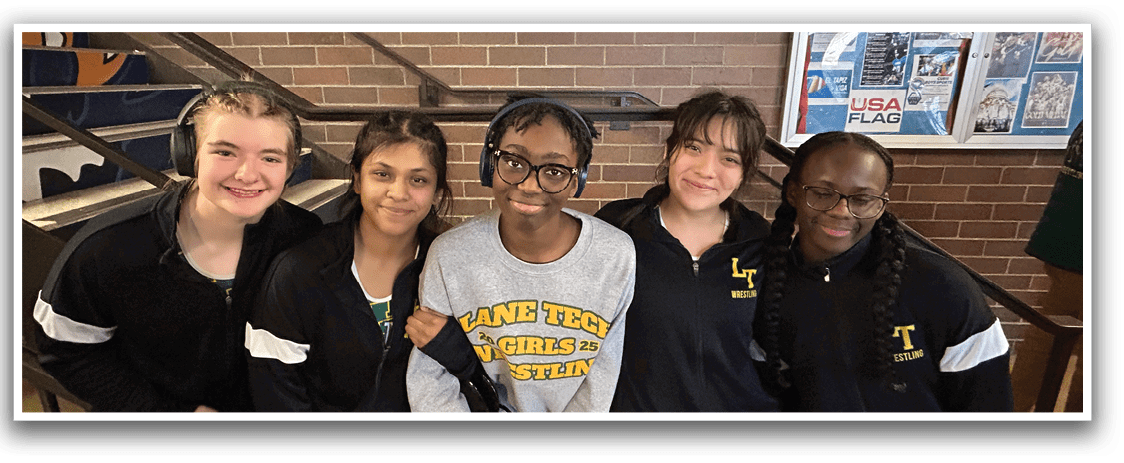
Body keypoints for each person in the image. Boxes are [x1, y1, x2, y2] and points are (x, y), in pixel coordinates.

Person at [32, 80, 322, 412]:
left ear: (289, 168)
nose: (247, 173)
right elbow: (67, 351)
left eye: (270, 158)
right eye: (225, 152)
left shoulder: (303, 237)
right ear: (189, 156)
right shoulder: (108, 247)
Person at [244, 111, 490, 412]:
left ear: (437, 193)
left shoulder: (452, 270)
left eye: (418, 179)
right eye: (382, 174)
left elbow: (499, 377)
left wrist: (457, 351)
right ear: (357, 179)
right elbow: (275, 391)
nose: (399, 193)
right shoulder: (299, 272)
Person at [404, 96, 636, 412]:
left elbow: (601, 378)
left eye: (554, 170)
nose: (529, 185)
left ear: (576, 181)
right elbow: (430, 380)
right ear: (488, 166)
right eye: (514, 162)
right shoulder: (449, 255)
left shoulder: (615, 255)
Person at [755, 131, 1014, 412]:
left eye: (862, 199)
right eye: (821, 193)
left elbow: (990, 403)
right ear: (793, 192)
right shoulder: (769, 286)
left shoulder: (941, 286)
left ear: (880, 206)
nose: (842, 211)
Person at [594, 90, 779, 412]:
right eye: (694, 147)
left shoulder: (758, 241)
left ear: (744, 173)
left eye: (729, 158)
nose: (707, 170)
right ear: (670, 151)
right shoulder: (618, 228)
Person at [1011, 121, 1083, 412]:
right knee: (1050, 337)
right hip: (1077, 248)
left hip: (1064, 241)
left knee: (1047, 335)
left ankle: (1011, 408)